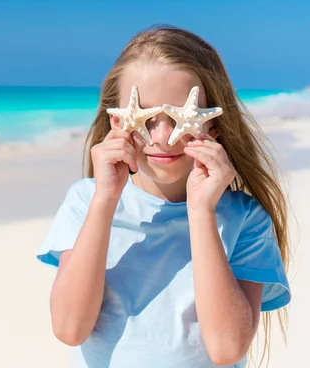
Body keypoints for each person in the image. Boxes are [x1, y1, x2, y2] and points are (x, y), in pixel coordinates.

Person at [36, 25, 291, 368]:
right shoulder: (86, 201)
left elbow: (227, 349)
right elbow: (70, 328)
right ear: (117, 122)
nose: (163, 137)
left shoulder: (244, 218)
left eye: (178, 117)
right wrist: (105, 200)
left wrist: (201, 211)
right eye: (144, 116)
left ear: (213, 124)